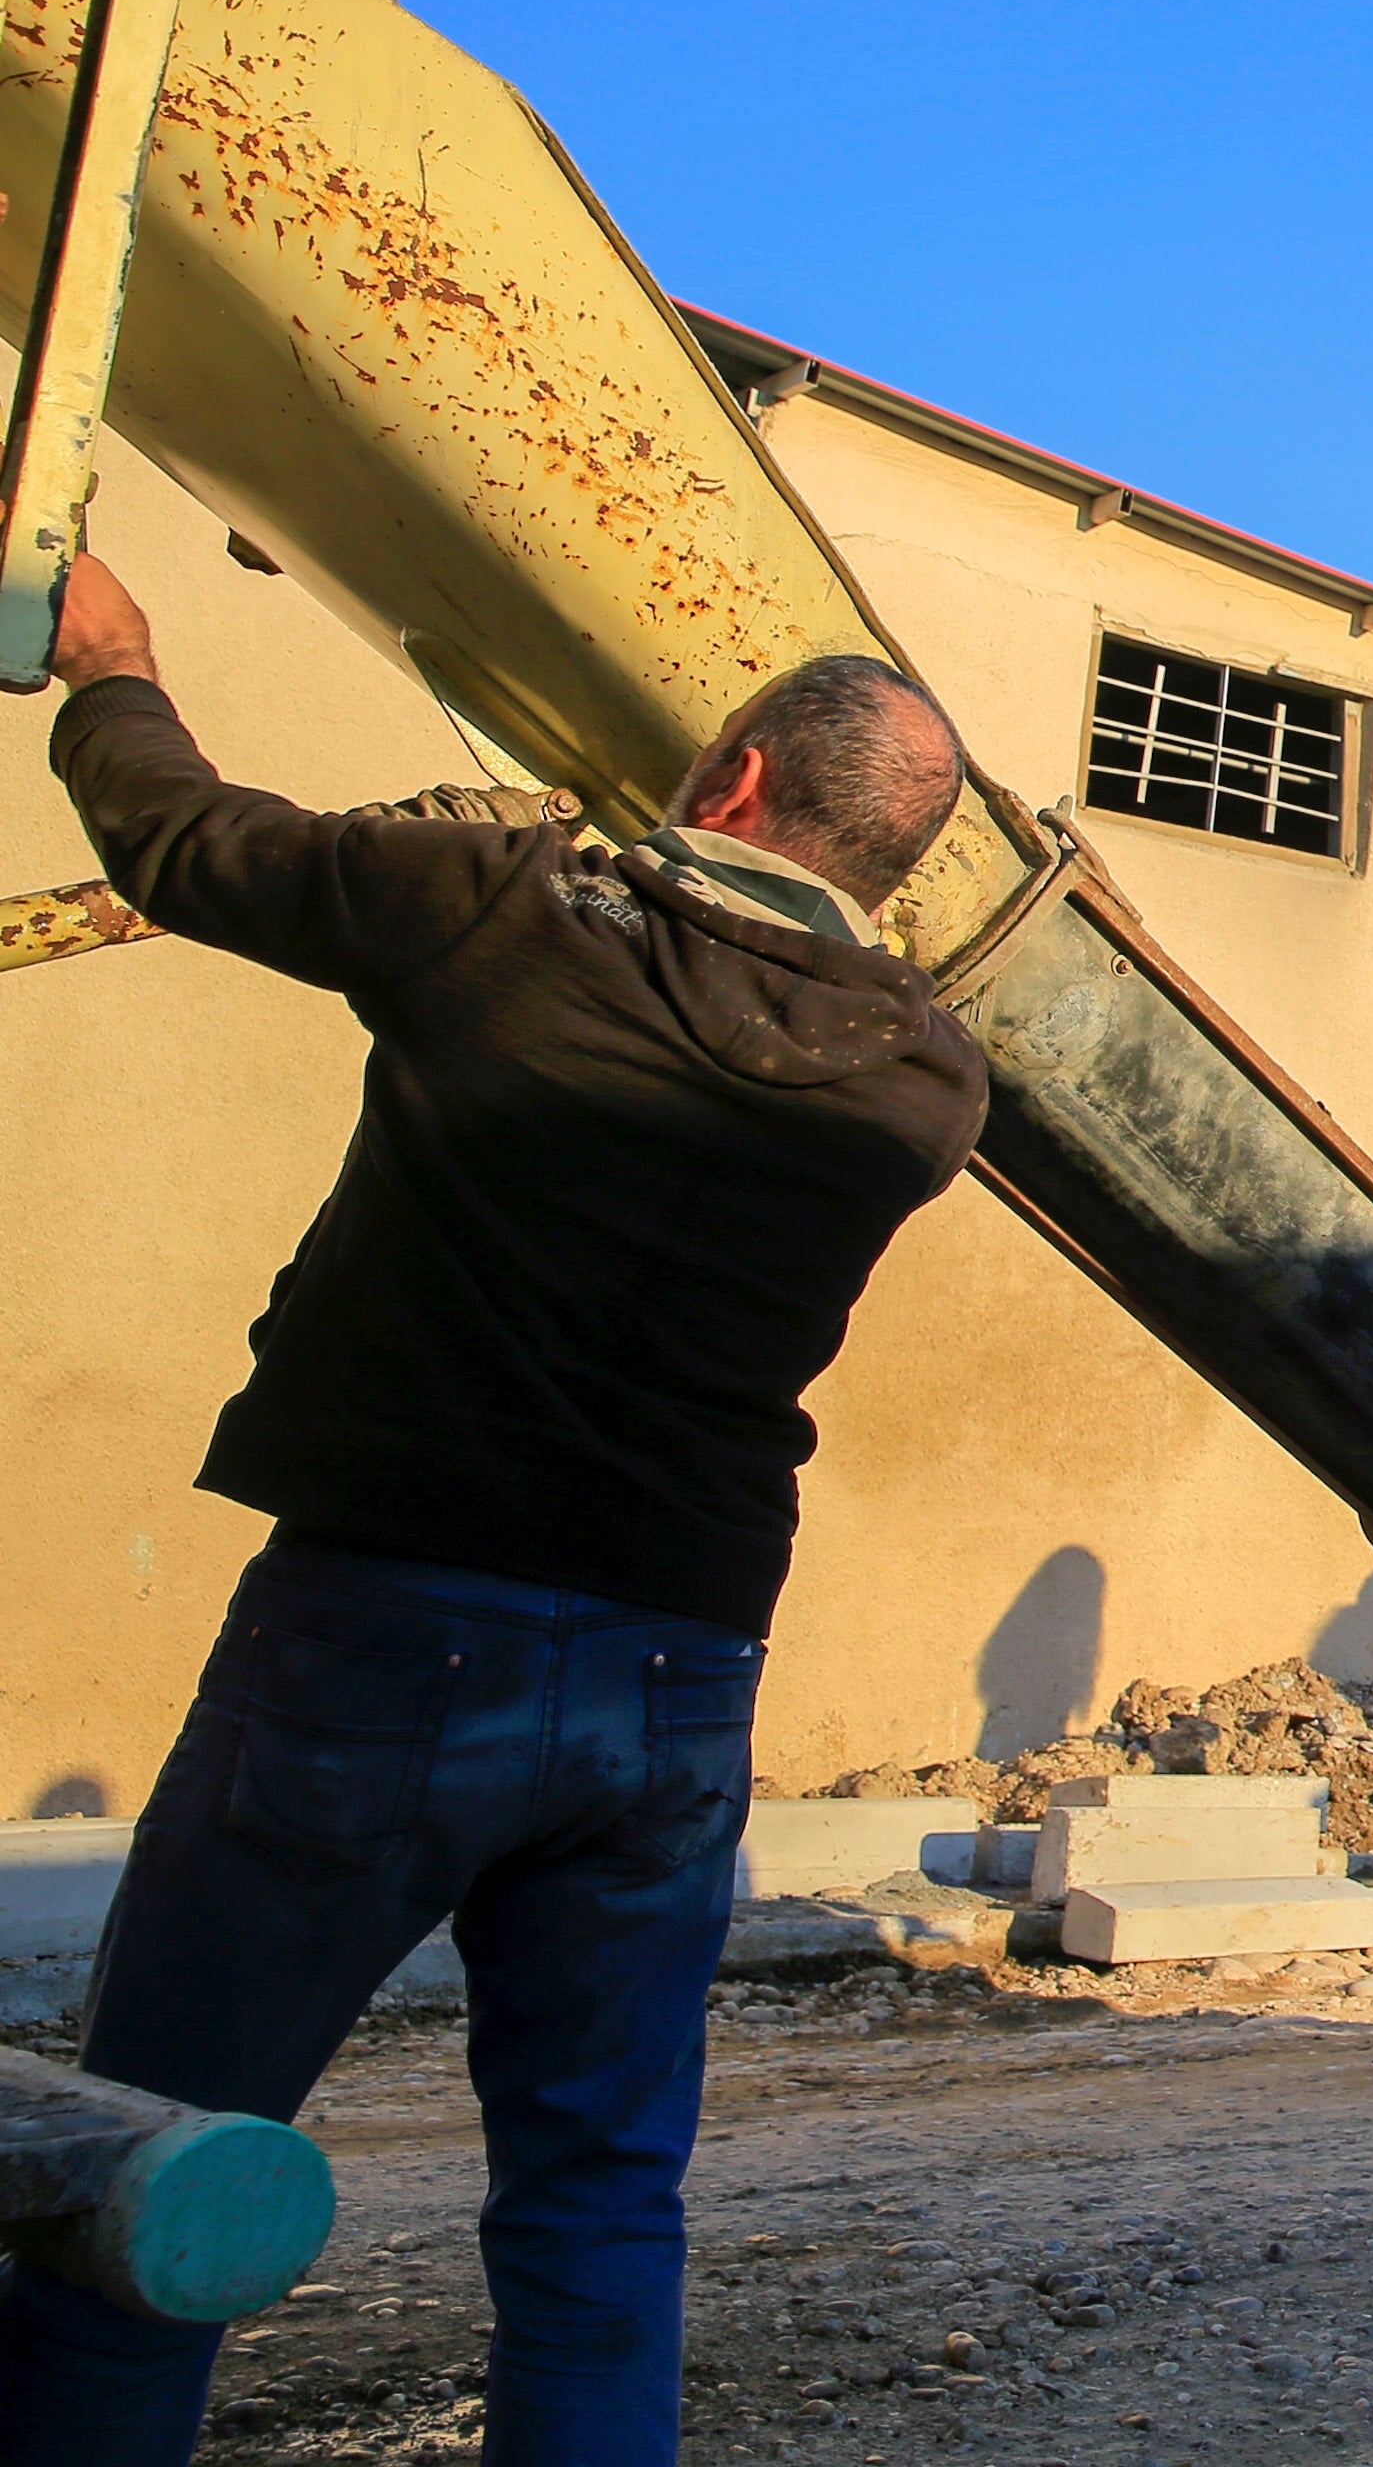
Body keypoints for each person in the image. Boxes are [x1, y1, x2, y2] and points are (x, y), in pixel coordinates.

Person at [0, 554, 986, 2466]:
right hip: (680, 1672)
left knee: (152, 2168)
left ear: (733, 776)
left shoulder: (498, 916)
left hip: (383, 1636)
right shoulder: (923, 1085)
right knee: (599, 2194)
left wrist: (113, 667)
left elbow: (184, 842)